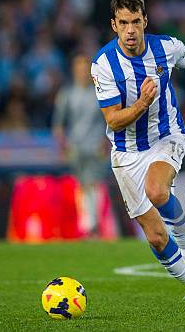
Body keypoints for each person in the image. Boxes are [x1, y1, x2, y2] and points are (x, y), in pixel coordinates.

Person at [90, 0, 185, 312]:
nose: (130, 30)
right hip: (126, 152)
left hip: (166, 136)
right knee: (157, 237)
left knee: (157, 191)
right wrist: (142, 104)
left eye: (135, 22)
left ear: (145, 21)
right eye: (123, 23)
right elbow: (113, 121)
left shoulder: (167, 47)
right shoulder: (103, 65)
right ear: (113, 25)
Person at [53, 53, 108, 236]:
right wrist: (63, 146)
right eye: (79, 69)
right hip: (76, 146)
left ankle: (91, 225)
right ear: (74, 71)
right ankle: (89, 225)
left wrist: (106, 142)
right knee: (82, 185)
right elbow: (59, 124)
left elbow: (109, 120)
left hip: (95, 146)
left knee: (94, 183)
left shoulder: (100, 93)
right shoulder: (67, 94)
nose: (82, 72)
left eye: (85, 69)